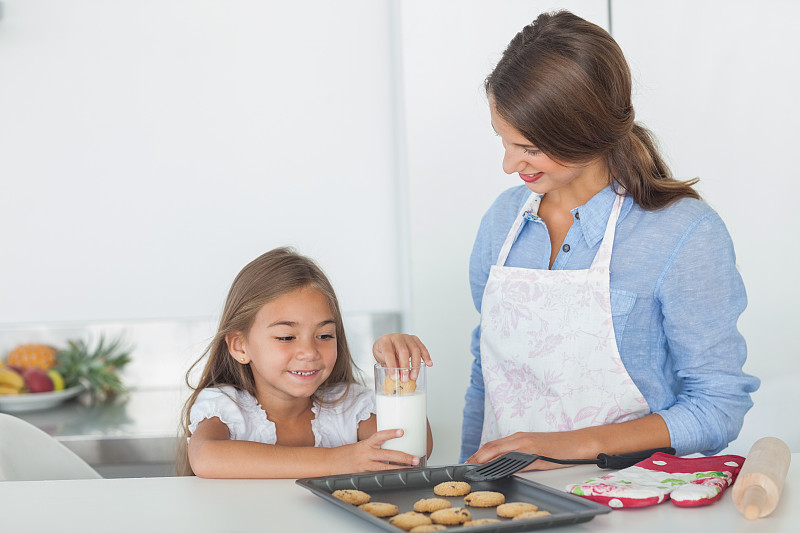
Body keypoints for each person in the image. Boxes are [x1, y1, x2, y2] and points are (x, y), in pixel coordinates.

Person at [460, 11, 759, 469]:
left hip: (628, 501)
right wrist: (465, 480)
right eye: (504, 141)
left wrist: (572, 444)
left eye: (529, 148)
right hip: (504, 502)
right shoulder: (504, 221)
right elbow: (487, 375)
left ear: (586, 132)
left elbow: (717, 405)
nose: (509, 165)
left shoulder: (683, 233)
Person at [179, 247, 433, 478]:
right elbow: (207, 457)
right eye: (286, 337)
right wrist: (337, 461)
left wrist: (395, 369)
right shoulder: (226, 407)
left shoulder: (349, 407)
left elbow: (407, 454)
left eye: (324, 335)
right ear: (239, 346)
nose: (309, 352)